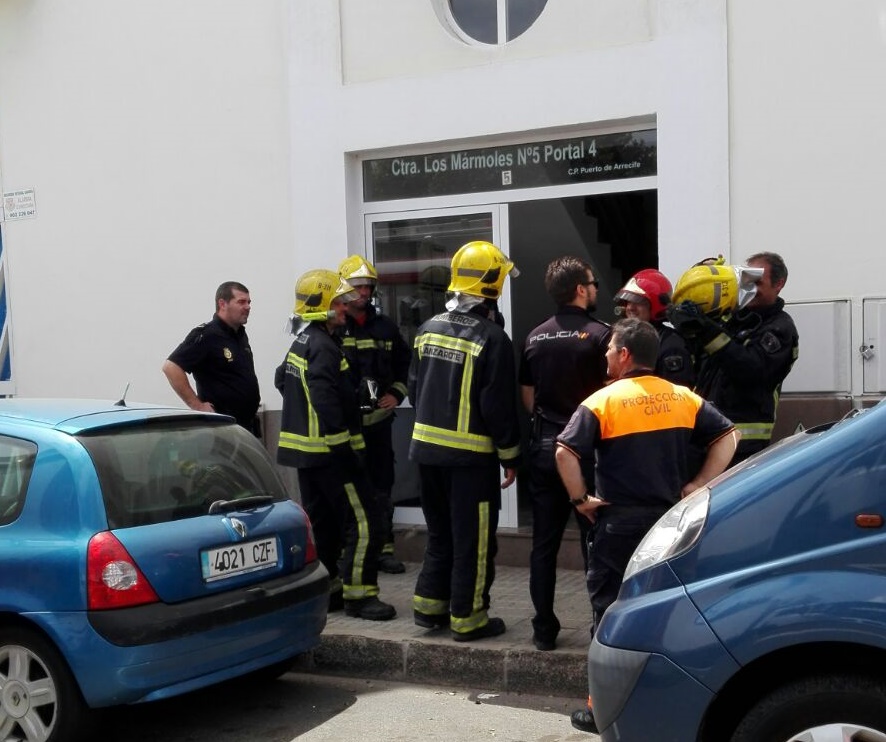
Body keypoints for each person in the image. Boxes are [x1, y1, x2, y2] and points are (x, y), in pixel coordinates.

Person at [555, 318, 738, 734]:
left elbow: (564, 451)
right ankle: (670, 697)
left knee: (610, 612)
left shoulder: (603, 401)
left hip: (618, 525)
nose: (605, 355)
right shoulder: (683, 397)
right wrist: (698, 484)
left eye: (609, 349)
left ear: (624, 355)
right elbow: (729, 435)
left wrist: (581, 500)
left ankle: (601, 708)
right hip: (670, 525)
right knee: (669, 611)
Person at [408, 241, 522, 642]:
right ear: (491, 285)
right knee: (472, 541)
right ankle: (469, 618)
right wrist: (511, 455)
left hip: (426, 455)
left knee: (440, 534)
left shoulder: (426, 329)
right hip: (470, 461)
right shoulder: (492, 338)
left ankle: (428, 608)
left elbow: (414, 390)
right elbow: (498, 406)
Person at [275, 269, 395, 621]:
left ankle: (330, 590)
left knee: (324, 525)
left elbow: (281, 379)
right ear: (321, 307)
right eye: (339, 303)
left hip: (307, 457)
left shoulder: (303, 340)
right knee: (365, 521)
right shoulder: (324, 346)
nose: (345, 308)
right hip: (331, 456)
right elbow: (325, 400)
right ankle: (361, 595)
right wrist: (345, 448)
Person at [518, 256, 610, 652]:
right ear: (580, 289)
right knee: (595, 542)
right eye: (592, 283)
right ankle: (599, 625)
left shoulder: (534, 336)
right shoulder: (601, 335)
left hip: (544, 448)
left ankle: (543, 629)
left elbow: (528, 396)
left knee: (544, 544)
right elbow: (611, 395)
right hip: (586, 453)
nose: (595, 289)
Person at [673, 252, 799, 465]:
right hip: (707, 437)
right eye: (745, 282)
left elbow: (750, 370)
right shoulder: (734, 318)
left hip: (742, 445)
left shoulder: (780, 328)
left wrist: (707, 330)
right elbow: (699, 365)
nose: (750, 289)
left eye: (757, 283)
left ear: (779, 284)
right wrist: (687, 325)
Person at [338, 255, 412, 574]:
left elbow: (405, 364)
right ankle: (350, 548)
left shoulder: (386, 327)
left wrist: (396, 393)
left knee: (382, 487)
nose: (364, 292)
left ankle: (383, 549)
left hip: (379, 427)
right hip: (346, 428)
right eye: (358, 286)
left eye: (368, 286)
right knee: (349, 490)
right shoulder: (334, 327)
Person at [163, 281, 262, 436]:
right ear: (222, 304)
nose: (248, 307)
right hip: (221, 429)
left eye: (249, 302)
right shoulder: (207, 335)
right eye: (241, 302)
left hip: (245, 426)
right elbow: (171, 367)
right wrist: (197, 405)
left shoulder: (240, 335)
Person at [614, 268, 695, 386]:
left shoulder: (671, 345)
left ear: (655, 306)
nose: (630, 308)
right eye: (628, 302)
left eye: (638, 302)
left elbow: (677, 392)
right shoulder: (626, 339)